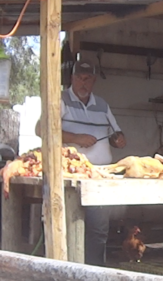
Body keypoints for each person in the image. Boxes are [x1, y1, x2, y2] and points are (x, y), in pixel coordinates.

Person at [36, 60, 126, 266]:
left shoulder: (102, 105)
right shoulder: (60, 100)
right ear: (72, 79)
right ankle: (66, 271)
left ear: (94, 81)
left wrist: (119, 140)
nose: (83, 83)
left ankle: (94, 274)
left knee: (98, 231)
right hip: (70, 175)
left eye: (88, 79)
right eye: (79, 78)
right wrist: (75, 138)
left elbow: (115, 133)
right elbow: (41, 129)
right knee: (69, 227)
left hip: (99, 176)